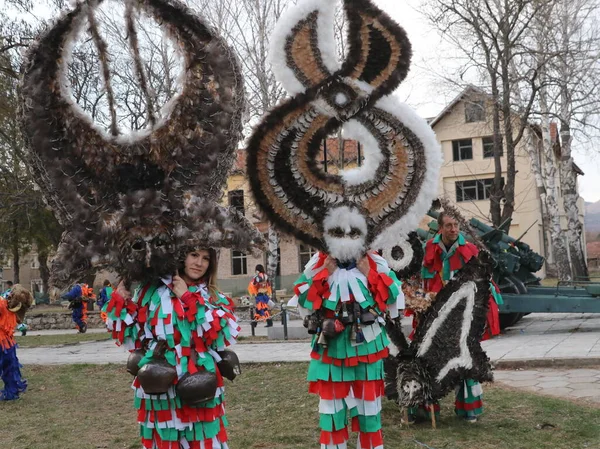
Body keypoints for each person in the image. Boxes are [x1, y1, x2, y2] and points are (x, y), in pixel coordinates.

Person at [103, 248, 240, 449]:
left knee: (204, 440)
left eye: (205, 258)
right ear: (180, 256)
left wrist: (187, 297)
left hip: (199, 379)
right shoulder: (150, 292)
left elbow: (222, 333)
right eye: (194, 255)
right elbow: (130, 337)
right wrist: (120, 301)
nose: (199, 263)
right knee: (163, 440)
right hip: (159, 381)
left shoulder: (212, 296)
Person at [292, 250, 404, 449]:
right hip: (330, 349)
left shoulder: (373, 261)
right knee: (332, 413)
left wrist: (370, 273)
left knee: (369, 412)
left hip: (368, 349)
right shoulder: (320, 262)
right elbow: (303, 299)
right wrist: (323, 273)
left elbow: (393, 297)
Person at [409, 211, 503, 423]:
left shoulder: (469, 251)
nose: (453, 230)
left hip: (461, 318)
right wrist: (418, 299)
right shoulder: (426, 251)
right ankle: (425, 410)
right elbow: (414, 280)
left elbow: (482, 284)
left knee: (465, 360)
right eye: (449, 226)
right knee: (426, 360)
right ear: (440, 228)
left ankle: (468, 411)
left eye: (456, 226)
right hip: (431, 316)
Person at [0, 284, 32, 400]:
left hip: (8, 343)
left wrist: (21, 325)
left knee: (11, 367)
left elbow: (16, 317)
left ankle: (11, 393)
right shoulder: (1, 303)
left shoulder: (16, 306)